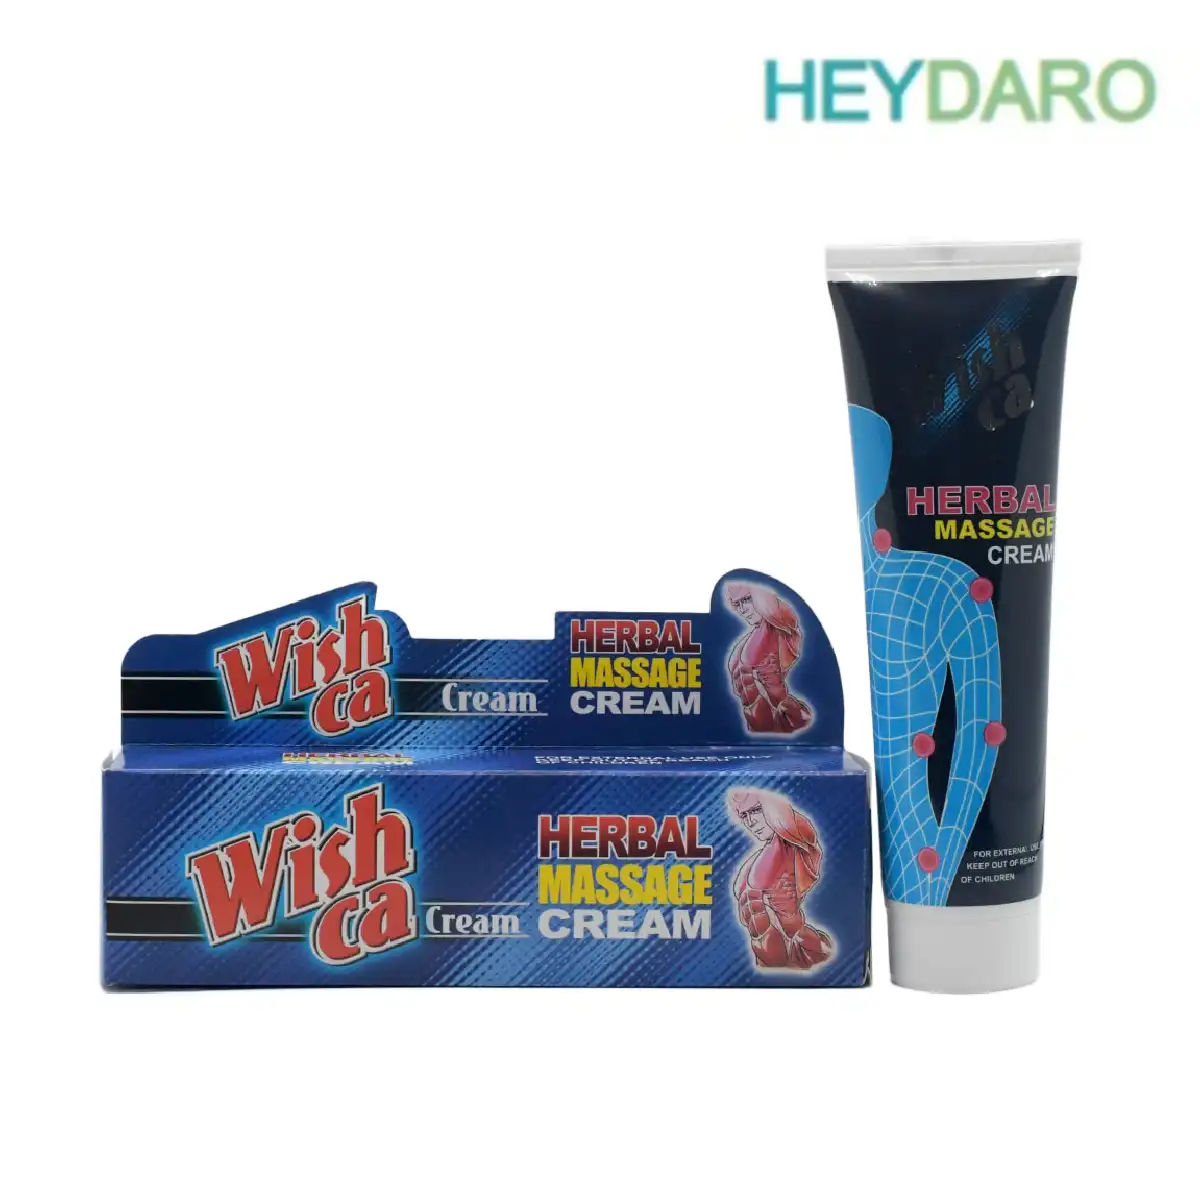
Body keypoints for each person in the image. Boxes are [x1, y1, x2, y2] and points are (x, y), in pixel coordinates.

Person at [729, 787, 833, 970]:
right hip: (768, 955)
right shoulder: (755, 861)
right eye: (744, 815)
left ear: (772, 808)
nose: (751, 822)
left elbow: (802, 832)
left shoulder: (788, 845)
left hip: (797, 946)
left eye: (756, 810)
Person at [725, 581, 814, 733]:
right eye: (737, 604)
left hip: (778, 716)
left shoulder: (771, 631)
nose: (742, 609)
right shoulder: (748, 640)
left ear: (761, 598)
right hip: (757, 720)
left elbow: (773, 684)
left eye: (746, 599)